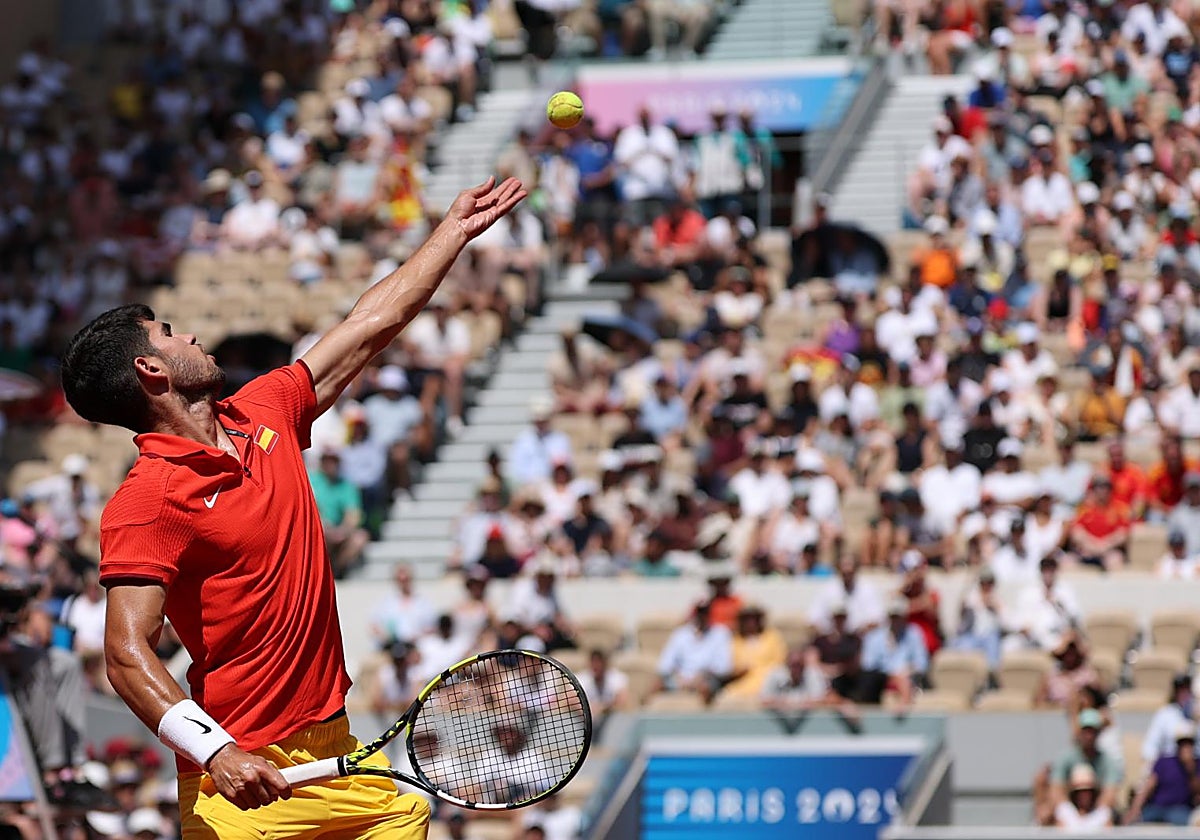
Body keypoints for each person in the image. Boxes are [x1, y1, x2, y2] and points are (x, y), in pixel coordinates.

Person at [63, 176, 524, 836]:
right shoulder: (146, 503)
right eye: (168, 333)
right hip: (241, 780)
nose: (189, 334)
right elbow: (125, 654)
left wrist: (451, 232)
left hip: (334, 756)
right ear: (151, 373)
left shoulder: (263, 408)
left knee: (407, 818)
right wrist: (216, 751)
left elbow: (371, 324)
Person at [308, 449, 370, 577]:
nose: (330, 464)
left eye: (333, 461)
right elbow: (312, 508)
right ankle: (319, 568)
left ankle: (337, 569)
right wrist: (325, 527)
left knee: (360, 538)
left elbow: (353, 514)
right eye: (327, 460)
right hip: (320, 528)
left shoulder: (346, 485)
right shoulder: (312, 480)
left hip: (339, 530)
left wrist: (343, 530)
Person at [655, 603, 733, 702]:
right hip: (680, 680)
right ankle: (644, 711)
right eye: (699, 613)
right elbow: (664, 665)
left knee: (705, 688)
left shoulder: (720, 633)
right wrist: (679, 677)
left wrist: (702, 676)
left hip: (706, 680)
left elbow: (724, 667)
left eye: (705, 613)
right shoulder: (680, 634)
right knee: (656, 684)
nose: (702, 616)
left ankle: (702, 714)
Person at [1126, 724, 1200, 825]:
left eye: (1188, 744)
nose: (1185, 747)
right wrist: (1135, 809)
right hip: (1157, 808)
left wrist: (1190, 770)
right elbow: (1148, 787)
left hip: (1180, 810)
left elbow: (1196, 792)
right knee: (1137, 823)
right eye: (1182, 744)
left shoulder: (1197, 765)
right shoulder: (1164, 762)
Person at [1143, 675, 1199, 763]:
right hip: (1170, 764)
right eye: (1180, 690)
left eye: (1186, 689)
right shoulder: (1164, 714)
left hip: (1193, 766)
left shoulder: (1196, 714)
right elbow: (1149, 749)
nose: (1184, 693)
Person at [1054, 765, 1114, 831]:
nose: (1084, 795)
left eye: (1088, 791)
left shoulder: (1102, 813)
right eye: (1080, 792)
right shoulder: (1064, 811)